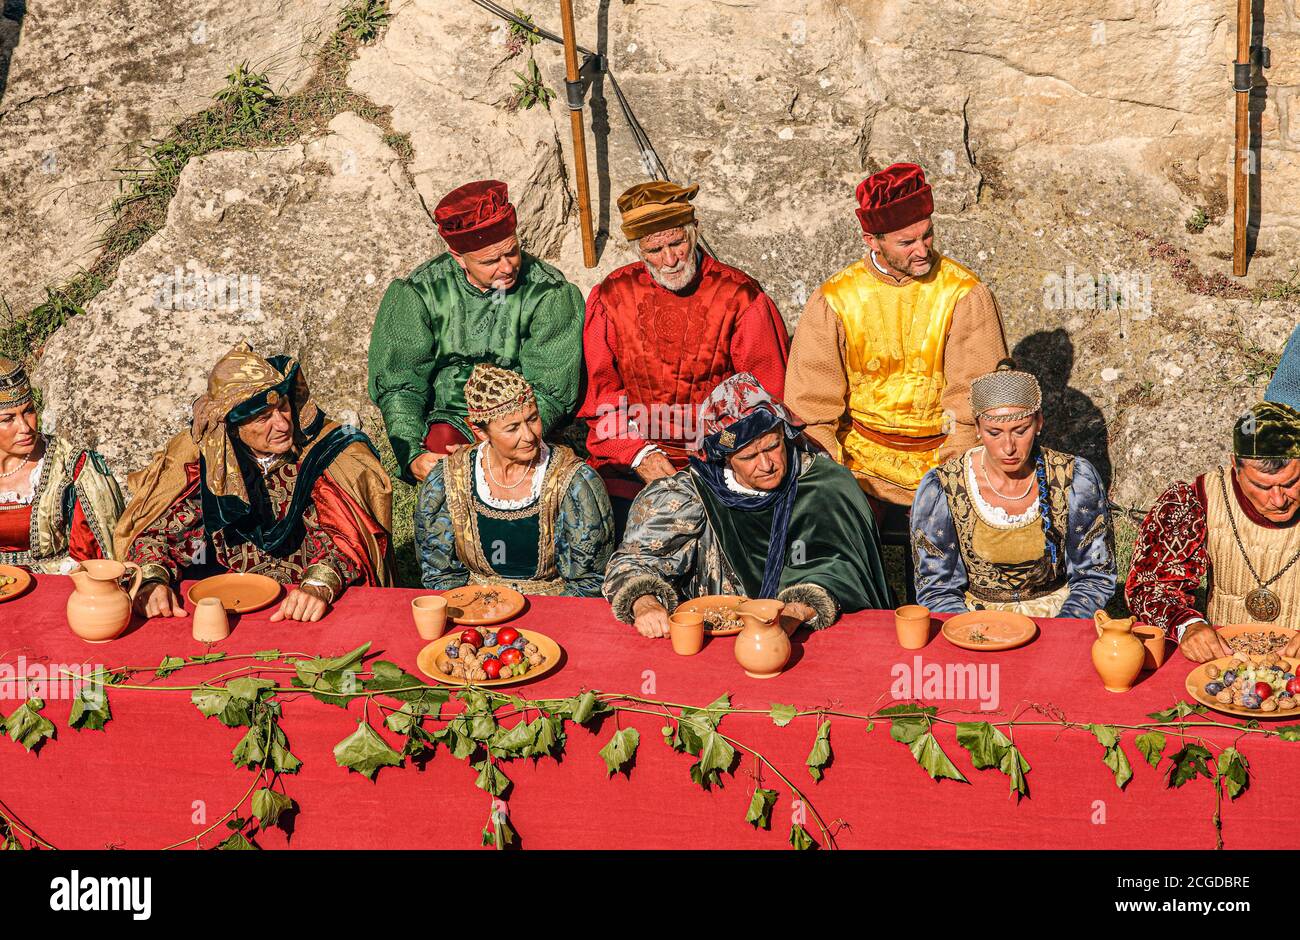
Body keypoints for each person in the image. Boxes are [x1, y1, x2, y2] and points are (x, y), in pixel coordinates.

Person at [783, 162, 1009, 522]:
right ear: (872, 240)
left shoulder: (963, 294)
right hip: (857, 461)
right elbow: (812, 406)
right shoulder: (836, 299)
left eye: (927, 235)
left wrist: (955, 478)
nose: (922, 250)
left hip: (943, 454)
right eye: (906, 242)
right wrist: (829, 477)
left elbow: (973, 399)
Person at [116, 344, 394, 623]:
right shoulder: (211, 459)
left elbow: (346, 539)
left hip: (310, 603)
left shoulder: (325, 455)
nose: (284, 425)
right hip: (228, 603)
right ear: (234, 428)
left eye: (283, 407)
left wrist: (318, 585)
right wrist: (152, 581)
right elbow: (163, 535)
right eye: (264, 418)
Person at [603, 373, 890, 637]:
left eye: (772, 447)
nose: (766, 465)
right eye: (749, 456)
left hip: (810, 635)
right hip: (713, 638)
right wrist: (644, 602)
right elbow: (633, 562)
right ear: (726, 458)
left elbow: (846, 569)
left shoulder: (824, 486)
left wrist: (797, 611)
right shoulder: (690, 496)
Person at [578, 181, 790, 536]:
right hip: (636, 454)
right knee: (605, 526)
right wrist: (638, 454)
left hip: (723, 453)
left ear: (695, 231)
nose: (671, 259)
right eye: (655, 249)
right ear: (638, 250)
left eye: (677, 242)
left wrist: (718, 456)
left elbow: (766, 398)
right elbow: (603, 399)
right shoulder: (612, 297)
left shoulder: (739, 297)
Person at [368, 179, 584, 485]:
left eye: (512, 252)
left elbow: (550, 388)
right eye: (491, 261)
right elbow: (401, 383)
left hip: (524, 418)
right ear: (458, 258)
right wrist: (412, 454)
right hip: (452, 416)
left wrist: (502, 440)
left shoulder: (548, 292)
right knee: (443, 467)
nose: (507, 267)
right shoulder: (421, 292)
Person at [910, 361, 1116, 617]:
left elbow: (1093, 576)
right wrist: (969, 630)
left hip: (1058, 615)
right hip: (976, 619)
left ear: (1038, 422)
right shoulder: (945, 486)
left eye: (1020, 431)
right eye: (994, 433)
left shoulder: (1074, 478)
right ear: (977, 428)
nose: (1008, 447)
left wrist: (1064, 628)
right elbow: (937, 587)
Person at [414, 364, 613, 596]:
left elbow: (587, 580)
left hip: (553, 607)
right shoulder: (450, 479)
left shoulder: (572, 481)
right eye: (512, 428)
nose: (529, 436)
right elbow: (440, 574)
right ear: (479, 431)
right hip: (474, 606)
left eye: (533, 419)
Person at [1126, 400, 1300, 662]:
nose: (1278, 499)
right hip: (1221, 659)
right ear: (1236, 466)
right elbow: (1150, 585)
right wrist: (1188, 625)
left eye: (1291, 482)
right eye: (1262, 486)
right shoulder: (1197, 500)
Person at [0, 357, 124, 571]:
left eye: (29, 411)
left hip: (52, 587)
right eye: (7, 419)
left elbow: (99, 558)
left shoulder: (74, 467)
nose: (25, 427)